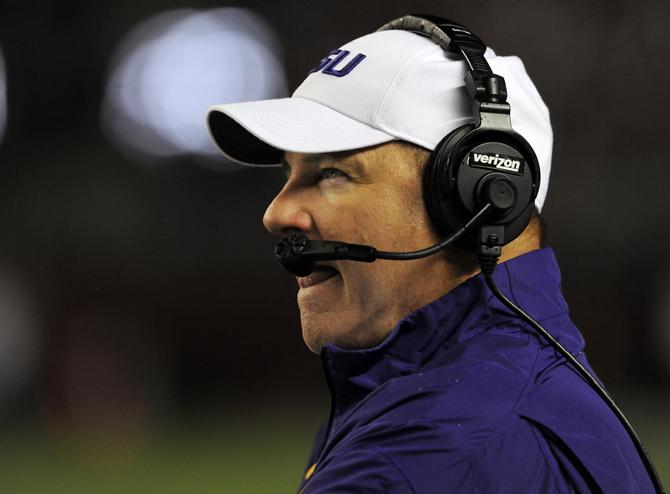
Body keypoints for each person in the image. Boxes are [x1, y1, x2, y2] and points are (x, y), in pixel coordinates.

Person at [206, 15, 658, 494]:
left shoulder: (425, 456)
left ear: (479, 200)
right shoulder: (501, 391)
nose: (277, 213)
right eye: (289, 175)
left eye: (332, 174)